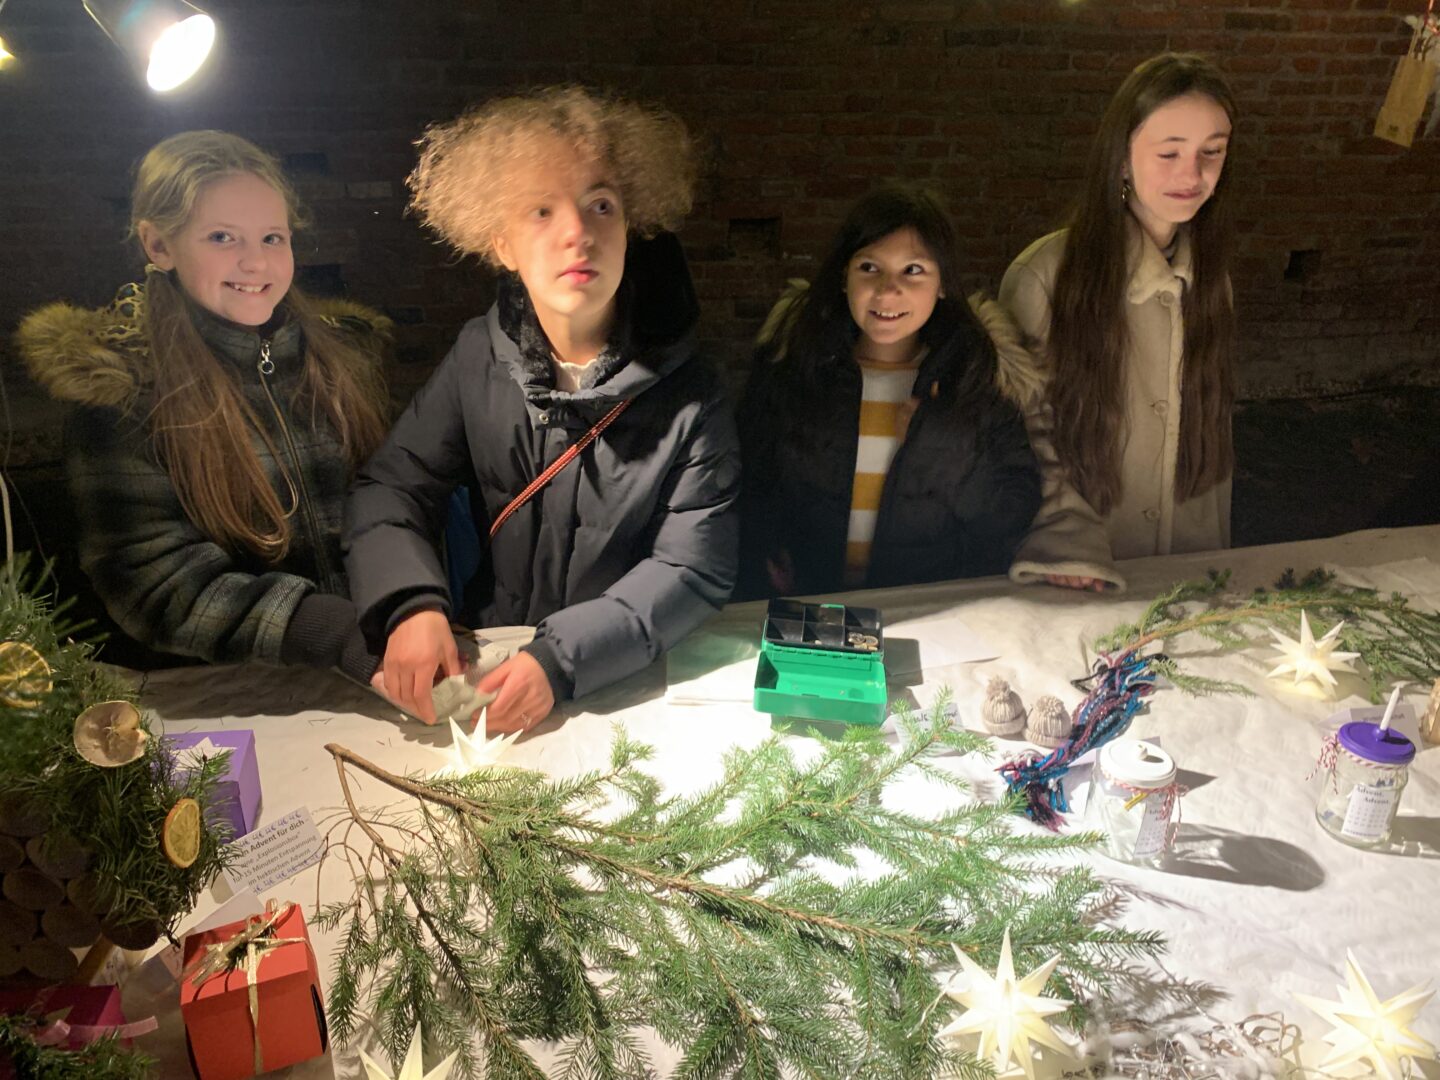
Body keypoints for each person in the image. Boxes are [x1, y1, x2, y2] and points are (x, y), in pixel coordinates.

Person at [344, 86, 740, 732]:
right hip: (490, 672)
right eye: (541, 210)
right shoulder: (477, 356)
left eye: (601, 205)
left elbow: (692, 566)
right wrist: (409, 604)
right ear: (502, 244)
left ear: (630, 227)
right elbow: (391, 487)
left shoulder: (690, 389)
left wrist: (562, 660)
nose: (577, 233)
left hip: (624, 689)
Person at [18, 130, 390, 677]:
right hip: (230, 695)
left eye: (272, 238)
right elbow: (153, 581)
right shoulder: (125, 390)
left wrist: (407, 603)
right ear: (159, 246)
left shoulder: (340, 357)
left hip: (377, 663)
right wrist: (326, 629)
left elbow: (392, 504)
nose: (255, 262)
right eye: (222, 237)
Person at [1000, 53, 1238, 592]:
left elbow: (1211, 426)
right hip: (1083, 566)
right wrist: (1067, 542)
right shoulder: (1047, 276)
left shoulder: (1211, 278)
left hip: (1187, 563)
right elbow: (1027, 428)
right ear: (1122, 158)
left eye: (1212, 151)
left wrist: (1211, 551)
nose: (1192, 174)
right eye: (1169, 152)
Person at [737, 186, 1042, 599]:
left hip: (924, 610)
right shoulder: (795, 369)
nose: (887, 290)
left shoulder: (975, 381)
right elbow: (748, 478)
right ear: (843, 276)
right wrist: (762, 556)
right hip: (809, 605)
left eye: (913, 270)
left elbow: (1010, 513)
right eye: (869, 267)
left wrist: (942, 446)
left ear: (943, 284)